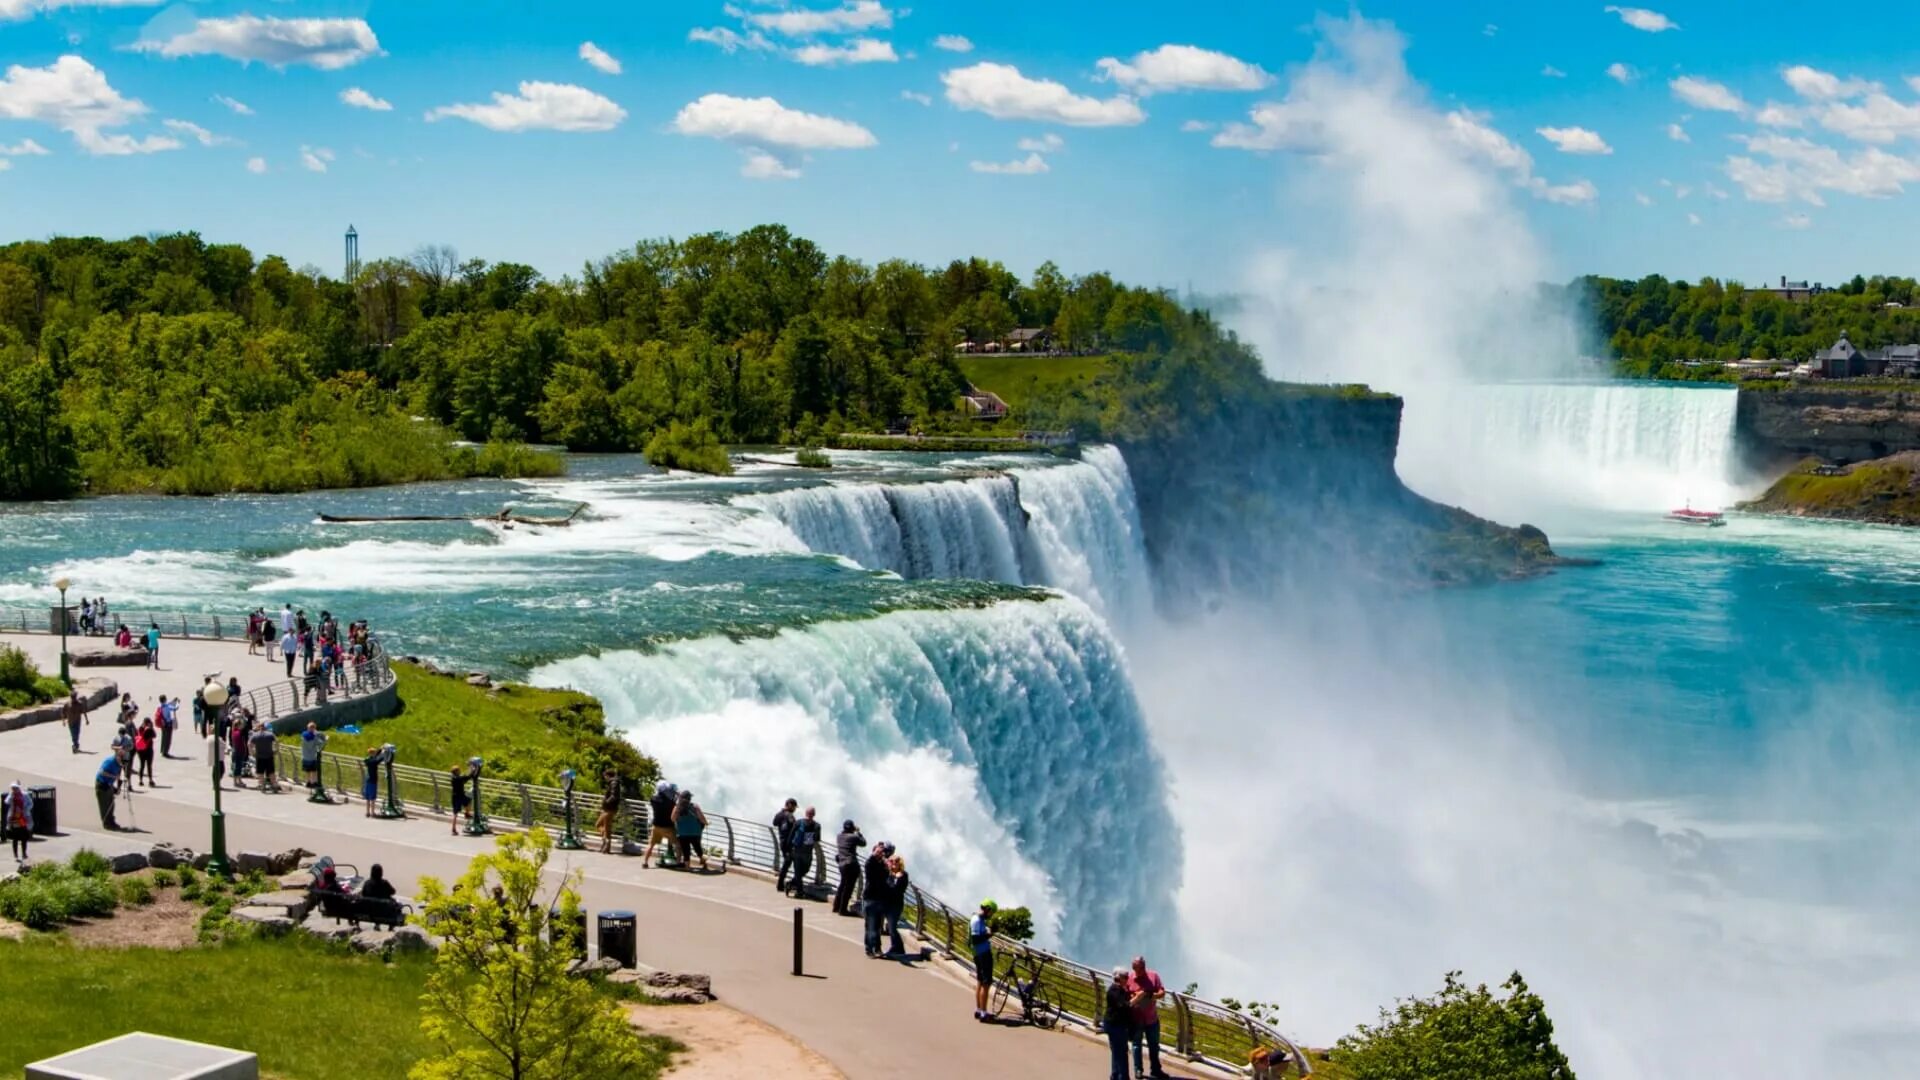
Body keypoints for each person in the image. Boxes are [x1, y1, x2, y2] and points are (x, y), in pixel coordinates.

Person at [1128, 955, 1169, 1079]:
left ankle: (1156, 1070)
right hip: (1136, 1018)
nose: (1141, 969)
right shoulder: (1130, 978)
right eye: (1138, 967)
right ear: (1134, 968)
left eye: (1142, 966)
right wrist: (1136, 996)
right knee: (1136, 1045)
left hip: (1151, 1018)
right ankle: (1138, 1070)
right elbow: (1125, 995)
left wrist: (1152, 996)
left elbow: (1162, 992)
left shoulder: (1153, 976)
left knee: (1154, 1046)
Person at [1104, 967, 1136, 1080]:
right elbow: (1123, 1006)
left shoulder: (1120, 990)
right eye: (1125, 977)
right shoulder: (1114, 991)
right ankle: (1123, 1077)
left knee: (1117, 1052)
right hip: (1115, 1026)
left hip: (1116, 1025)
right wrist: (1137, 998)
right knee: (1121, 1053)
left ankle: (1115, 1075)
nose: (1127, 979)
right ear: (1118, 978)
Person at [861, 841, 891, 957]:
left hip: (880, 898)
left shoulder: (883, 865)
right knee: (870, 925)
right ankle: (869, 949)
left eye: (881, 852)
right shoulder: (870, 863)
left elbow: (886, 877)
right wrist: (876, 854)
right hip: (870, 898)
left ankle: (877, 948)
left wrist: (886, 864)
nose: (880, 853)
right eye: (878, 851)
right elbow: (871, 866)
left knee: (878, 926)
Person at [970, 900, 997, 1020]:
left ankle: (979, 1009)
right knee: (986, 983)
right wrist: (990, 934)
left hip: (979, 953)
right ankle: (984, 1013)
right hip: (983, 954)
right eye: (991, 912)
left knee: (980, 982)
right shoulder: (976, 920)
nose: (991, 915)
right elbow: (976, 939)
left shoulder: (978, 919)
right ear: (987, 909)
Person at [831, 819, 865, 915]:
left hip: (841, 864)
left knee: (842, 886)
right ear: (852, 828)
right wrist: (858, 832)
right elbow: (863, 843)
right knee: (848, 888)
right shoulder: (853, 837)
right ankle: (843, 910)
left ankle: (836, 907)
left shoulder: (839, 836)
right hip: (851, 864)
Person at [787, 806, 822, 899]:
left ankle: (791, 883)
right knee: (804, 870)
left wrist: (788, 849)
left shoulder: (798, 822)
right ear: (814, 814)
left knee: (799, 872)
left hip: (798, 850)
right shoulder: (817, 826)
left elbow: (791, 836)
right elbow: (817, 839)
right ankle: (799, 892)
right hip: (806, 852)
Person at [672, 789, 709, 870]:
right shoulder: (695, 806)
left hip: (682, 833)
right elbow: (701, 818)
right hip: (695, 832)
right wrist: (706, 823)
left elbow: (673, 818)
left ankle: (687, 867)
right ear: (690, 798)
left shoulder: (677, 808)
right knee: (698, 849)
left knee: (686, 851)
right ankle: (704, 864)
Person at [642, 783, 677, 867]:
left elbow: (653, 797)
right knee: (678, 844)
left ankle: (645, 862)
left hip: (656, 826)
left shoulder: (653, 800)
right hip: (668, 827)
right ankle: (678, 861)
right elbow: (675, 804)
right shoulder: (670, 802)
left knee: (651, 845)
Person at [882, 855, 910, 958]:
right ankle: (898, 947)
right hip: (887, 903)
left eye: (896, 861)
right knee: (890, 926)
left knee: (892, 927)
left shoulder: (903, 875)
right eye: (891, 861)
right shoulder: (888, 874)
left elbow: (898, 889)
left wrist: (895, 878)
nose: (894, 863)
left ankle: (897, 947)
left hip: (896, 905)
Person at [772, 797, 799, 893]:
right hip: (789, 843)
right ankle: (781, 884)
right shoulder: (789, 816)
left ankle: (782, 884)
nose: (795, 809)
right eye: (794, 807)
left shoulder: (780, 814)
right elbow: (795, 827)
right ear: (789, 805)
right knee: (788, 863)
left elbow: (774, 823)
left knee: (787, 863)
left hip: (782, 842)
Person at [3, 781, 33, 863]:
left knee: (24, 837)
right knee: (15, 838)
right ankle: (15, 855)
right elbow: (6, 802)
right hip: (14, 819)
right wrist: (11, 796)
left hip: (23, 818)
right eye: (12, 788)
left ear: (18, 788)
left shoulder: (25, 795)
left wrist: (26, 809)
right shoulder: (11, 795)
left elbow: (31, 804)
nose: (14, 790)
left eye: (15, 788)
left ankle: (24, 853)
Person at [596, 768, 621, 854]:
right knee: (606, 828)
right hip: (608, 808)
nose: (605, 778)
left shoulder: (614, 782)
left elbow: (614, 796)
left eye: (605, 776)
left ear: (608, 775)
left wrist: (606, 802)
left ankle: (606, 842)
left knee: (602, 826)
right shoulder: (613, 782)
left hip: (609, 808)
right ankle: (607, 847)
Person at [249, 722, 279, 793]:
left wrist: (252, 752)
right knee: (271, 772)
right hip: (269, 756)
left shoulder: (255, 735)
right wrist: (276, 750)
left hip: (259, 756)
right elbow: (277, 741)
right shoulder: (270, 734)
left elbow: (249, 744)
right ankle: (274, 785)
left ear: (258, 727)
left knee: (260, 772)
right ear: (265, 727)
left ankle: (262, 786)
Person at [94, 754, 122, 830]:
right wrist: (113, 776)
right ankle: (106, 823)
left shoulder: (120, 764)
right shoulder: (110, 761)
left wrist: (118, 787)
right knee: (105, 805)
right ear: (117, 757)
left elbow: (119, 776)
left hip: (109, 784)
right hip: (102, 784)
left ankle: (111, 821)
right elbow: (102, 772)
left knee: (111, 804)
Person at [300, 722, 326, 788]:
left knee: (307, 771)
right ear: (313, 728)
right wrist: (325, 739)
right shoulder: (314, 738)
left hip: (305, 756)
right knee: (314, 771)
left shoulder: (303, 736)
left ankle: (308, 782)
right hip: (312, 757)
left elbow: (307, 735)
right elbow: (321, 743)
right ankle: (313, 782)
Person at [133, 715, 156, 786]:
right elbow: (154, 735)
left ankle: (140, 780)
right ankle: (150, 780)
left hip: (140, 750)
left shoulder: (140, 728)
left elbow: (136, 737)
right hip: (148, 749)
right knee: (149, 765)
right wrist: (152, 728)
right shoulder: (149, 729)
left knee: (142, 765)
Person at [449, 764, 470, 835]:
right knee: (456, 813)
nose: (460, 771)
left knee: (467, 802)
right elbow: (467, 777)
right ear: (456, 772)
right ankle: (453, 828)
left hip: (457, 796)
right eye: (459, 770)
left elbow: (464, 778)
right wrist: (471, 770)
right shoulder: (458, 778)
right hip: (459, 796)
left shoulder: (453, 778)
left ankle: (467, 814)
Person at [362, 746, 382, 817]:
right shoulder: (374, 762)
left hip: (368, 780)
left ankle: (368, 812)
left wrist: (380, 749)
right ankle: (373, 812)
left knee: (367, 798)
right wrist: (383, 752)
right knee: (372, 798)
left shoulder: (367, 760)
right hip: (373, 781)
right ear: (372, 753)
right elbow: (379, 759)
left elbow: (375, 757)